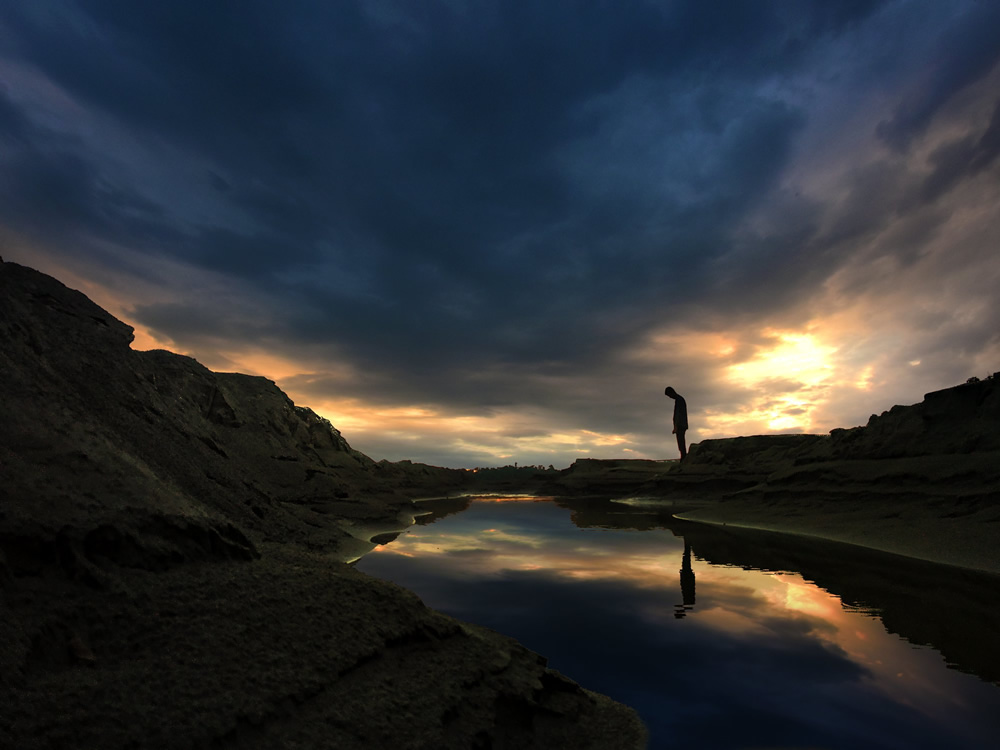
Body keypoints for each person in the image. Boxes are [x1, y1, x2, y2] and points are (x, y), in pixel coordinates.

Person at [664, 386, 688, 460]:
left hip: (680, 425)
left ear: (671, 392)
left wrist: (675, 426)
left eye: (669, 395)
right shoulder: (680, 399)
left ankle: (683, 458)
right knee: (681, 442)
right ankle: (683, 457)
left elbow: (678, 414)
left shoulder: (679, 400)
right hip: (681, 424)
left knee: (681, 443)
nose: (670, 397)